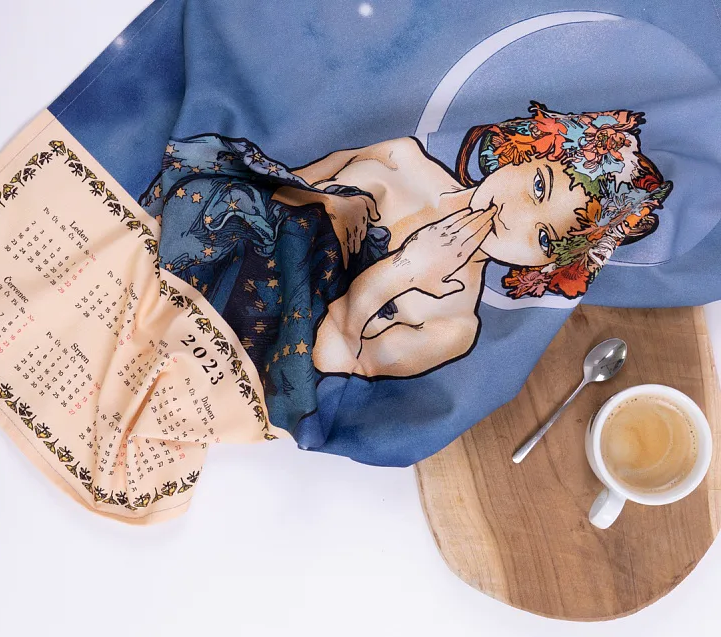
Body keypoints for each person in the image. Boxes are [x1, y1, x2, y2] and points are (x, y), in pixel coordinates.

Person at [141, 102, 671, 431]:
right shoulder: (402, 157)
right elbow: (281, 183)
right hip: (190, 256)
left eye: (544, 237)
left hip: (228, 353)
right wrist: (329, 203)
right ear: (523, 153)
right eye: (538, 185)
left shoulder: (454, 325)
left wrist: (401, 273)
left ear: (547, 264)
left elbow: (325, 363)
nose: (515, 216)